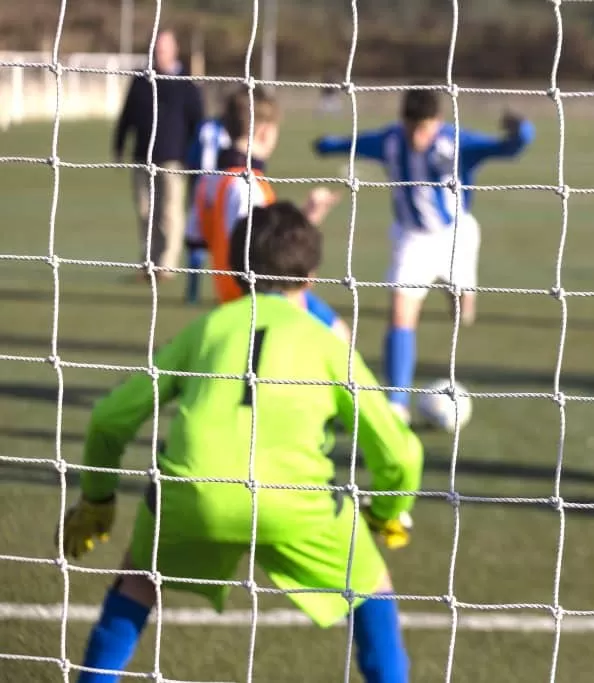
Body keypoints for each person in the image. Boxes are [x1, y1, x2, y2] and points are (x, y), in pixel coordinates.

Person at [58, 201, 423, 683]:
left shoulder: (206, 330)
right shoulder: (330, 346)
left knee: (139, 580)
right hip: (294, 506)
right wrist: (388, 511)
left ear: (234, 270)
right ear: (312, 276)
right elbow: (400, 451)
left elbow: (107, 420)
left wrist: (97, 502)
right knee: (373, 588)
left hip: (193, 497)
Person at [313, 88, 534, 423]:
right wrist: (328, 144)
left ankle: (455, 291)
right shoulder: (390, 140)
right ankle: (396, 404)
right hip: (411, 240)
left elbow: (504, 148)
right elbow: (355, 142)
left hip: (456, 236)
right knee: (400, 315)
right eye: (412, 128)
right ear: (402, 122)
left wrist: (522, 132)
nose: (418, 137)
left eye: (425, 129)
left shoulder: (455, 142)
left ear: (439, 122)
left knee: (464, 315)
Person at [187, 85, 351, 343]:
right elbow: (261, 251)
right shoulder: (247, 185)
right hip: (264, 299)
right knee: (339, 336)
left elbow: (196, 238)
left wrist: (306, 215)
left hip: (229, 298)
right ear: (264, 132)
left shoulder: (209, 181)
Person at [113, 29, 203, 282]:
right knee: (146, 212)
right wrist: (119, 146)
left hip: (174, 159)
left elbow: (198, 121)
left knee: (170, 213)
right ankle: (148, 261)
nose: (159, 53)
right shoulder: (142, 80)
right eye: (156, 48)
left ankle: (167, 265)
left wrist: (193, 154)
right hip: (143, 157)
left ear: (174, 50)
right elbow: (127, 115)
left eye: (164, 48)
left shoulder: (186, 83)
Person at [183, 110, 230, 303]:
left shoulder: (204, 127)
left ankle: (192, 292)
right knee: (226, 236)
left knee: (196, 238)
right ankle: (229, 291)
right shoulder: (231, 131)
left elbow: (192, 156)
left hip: (201, 184)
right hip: (224, 184)